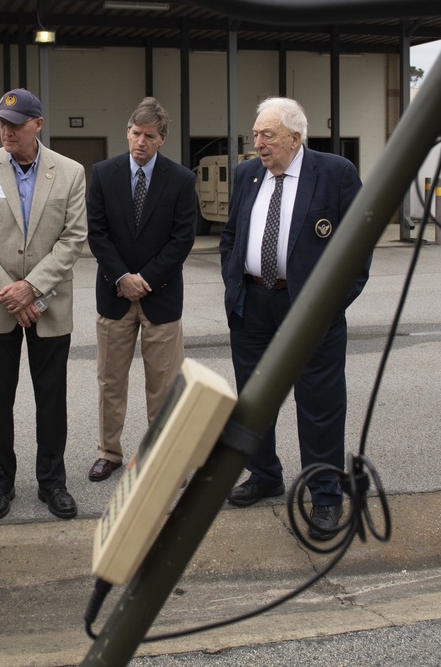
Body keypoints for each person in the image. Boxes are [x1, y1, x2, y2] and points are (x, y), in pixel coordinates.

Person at [219, 97, 369, 540]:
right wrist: (234, 287)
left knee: (319, 404)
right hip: (253, 304)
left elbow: (357, 247)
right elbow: (231, 236)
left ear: (295, 137)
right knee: (253, 400)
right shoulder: (247, 175)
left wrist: (328, 306)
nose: (258, 143)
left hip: (309, 310)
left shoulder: (336, 174)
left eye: (267, 135)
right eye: (256, 134)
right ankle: (265, 474)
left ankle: (325, 496)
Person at [0, 88, 88, 521]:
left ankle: (53, 482)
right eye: (1, 123)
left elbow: (72, 239)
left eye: (15, 124)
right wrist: (9, 292)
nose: (6, 130)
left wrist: (31, 288)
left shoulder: (69, 173)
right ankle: (1, 483)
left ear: (38, 125)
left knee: (51, 399)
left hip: (49, 306)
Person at [85, 97, 197, 482]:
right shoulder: (103, 173)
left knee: (164, 386)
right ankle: (108, 452)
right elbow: (97, 234)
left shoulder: (181, 179)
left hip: (161, 296)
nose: (141, 142)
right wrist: (122, 277)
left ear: (162, 138)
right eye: (135, 133)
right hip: (114, 295)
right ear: (127, 132)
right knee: (110, 382)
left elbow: (183, 238)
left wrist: (146, 279)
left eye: (149, 136)